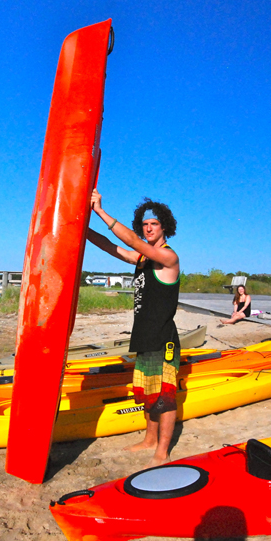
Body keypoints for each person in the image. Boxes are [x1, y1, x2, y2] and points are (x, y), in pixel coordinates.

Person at [86, 190, 180, 466]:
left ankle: (162, 450)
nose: (148, 228)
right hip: (144, 338)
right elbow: (110, 245)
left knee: (165, 397)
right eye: (145, 224)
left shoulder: (168, 257)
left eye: (154, 224)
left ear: (165, 228)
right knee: (147, 393)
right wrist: (83, 227)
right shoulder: (141, 259)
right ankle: (149, 440)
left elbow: (132, 241)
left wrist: (100, 211)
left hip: (164, 340)